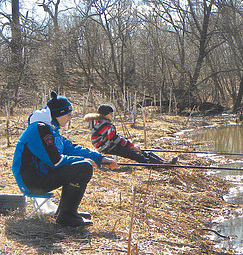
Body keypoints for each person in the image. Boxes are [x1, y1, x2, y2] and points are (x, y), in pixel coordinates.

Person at [12, 91, 118, 227]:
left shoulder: (51, 129)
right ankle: (66, 216)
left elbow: (72, 148)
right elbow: (55, 161)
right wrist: (86, 162)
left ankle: (65, 211)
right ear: (58, 114)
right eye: (68, 114)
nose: (70, 118)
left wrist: (101, 158)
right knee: (83, 167)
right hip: (32, 181)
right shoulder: (40, 129)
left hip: (42, 176)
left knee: (83, 165)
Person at [85, 104, 178, 168]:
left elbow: (115, 136)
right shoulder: (104, 124)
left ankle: (163, 163)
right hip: (107, 148)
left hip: (110, 145)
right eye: (111, 114)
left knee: (141, 152)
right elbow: (115, 139)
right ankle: (158, 166)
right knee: (135, 154)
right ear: (106, 114)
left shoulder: (103, 123)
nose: (112, 116)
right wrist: (131, 146)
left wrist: (130, 144)